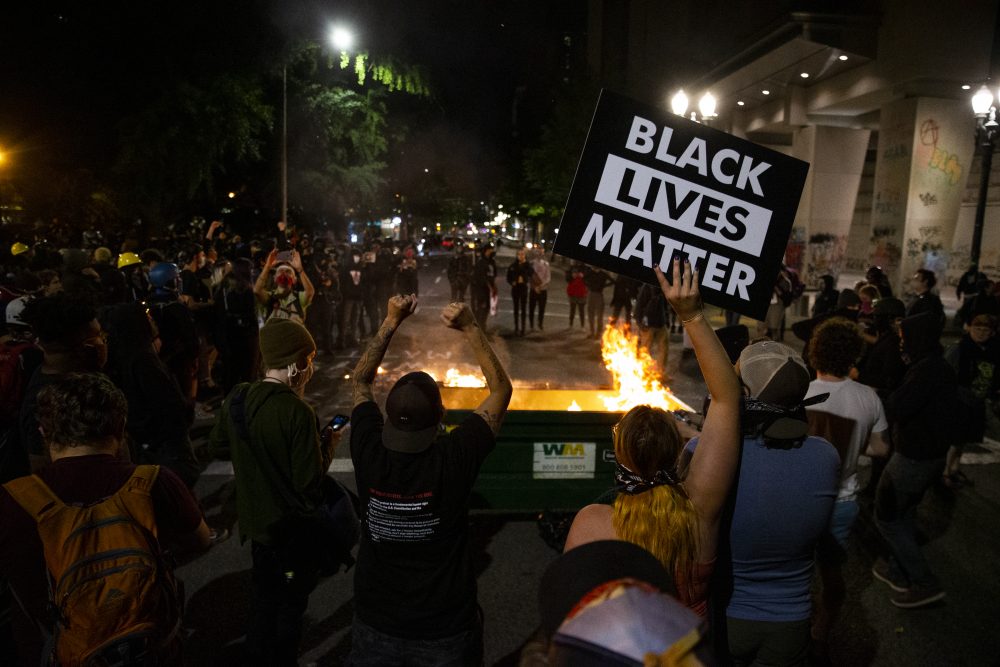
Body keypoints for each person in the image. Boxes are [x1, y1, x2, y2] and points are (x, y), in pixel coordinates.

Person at [564, 258, 742, 619]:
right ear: (677, 449)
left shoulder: (593, 521)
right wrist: (691, 315)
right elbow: (728, 398)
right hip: (689, 644)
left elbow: (569, 606)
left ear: (619, 452)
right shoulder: (699, 510)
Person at [0, 373, 210, 666]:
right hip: (149, 645)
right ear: (121, 427)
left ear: (43, 432)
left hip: (55, 650)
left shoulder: (13, 499)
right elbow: (200, 539)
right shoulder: (154, 482)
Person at [347, 295, 512, 666]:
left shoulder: (367, 448)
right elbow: (501, 390)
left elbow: (360, 381)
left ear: (387, 417)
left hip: (376, 623)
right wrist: (470, 326)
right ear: (441, 416)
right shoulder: (453, 456)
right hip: (444, 629)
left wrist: (391, 320)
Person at [210, 318, 334, 665]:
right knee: (290, 605)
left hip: (256, 525)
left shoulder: (238, 397)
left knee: (263, 596)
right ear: (294, 363)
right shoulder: (297, 411)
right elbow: (308, 482)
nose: (310, 368)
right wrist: (328, 446)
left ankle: (257, 653)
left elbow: (218, 446)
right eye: (308, 359)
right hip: (291, 533)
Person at [708, 340, 839, 665]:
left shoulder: (704, 455)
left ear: (744, 394)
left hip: (726, 616)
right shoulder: (826, 456)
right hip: (792, 624)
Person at [804, 318, 889, 657]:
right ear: (854, 356)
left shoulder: (802, 393)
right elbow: (881, 449)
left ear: (815, 353)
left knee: (792, 565)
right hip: (842, 500)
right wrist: (854, 441)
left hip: (800, 498)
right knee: (831, 570)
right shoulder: (869, 397)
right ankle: (822, 630)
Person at [872, 311, 959, 608]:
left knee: (886, 517)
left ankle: (924, 582)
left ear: (917, 338)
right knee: (904, 513)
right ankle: (898, 571)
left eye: (903, 337)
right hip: (929, 456)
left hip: (914, 458)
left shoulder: (927, 370)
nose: (900, 343)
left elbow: (900, 405)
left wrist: (875, 396)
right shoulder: (932, 365)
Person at [101, 303, 201, 489]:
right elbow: (168, 403)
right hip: (165, 443)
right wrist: (187, 406)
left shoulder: (123, 356)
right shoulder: (144, 360)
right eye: (147, 317)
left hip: (147, 441)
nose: (152, 320)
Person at [17, 294, 109, 473]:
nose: (103, 340)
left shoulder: (75, 376)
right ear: (85, 346)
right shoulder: (45, 403)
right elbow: (43, 472)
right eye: (98, 335)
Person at [942, 312, 1000, 489]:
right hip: (960, 400)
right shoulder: (960, 348)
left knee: (964, 439)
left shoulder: (991, 350)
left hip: (977, 400)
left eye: (985, 330)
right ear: (970, 328)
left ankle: (954, 469)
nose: (981, 333)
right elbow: (945, 373)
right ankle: (945, 472)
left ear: (992, 332)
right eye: (977, 328)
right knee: (955, 439)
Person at [253, 248, 315, 324]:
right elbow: (257, 290)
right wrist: (267, 267)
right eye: (280, 271)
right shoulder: (270, 297)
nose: (284, 273)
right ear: (275, 278)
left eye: (288, 271)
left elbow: (310, 292)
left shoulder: (299, 298)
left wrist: (300, 269)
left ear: (294, 280)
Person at [904, 268, 945, 334]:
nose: (913, 280)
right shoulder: (916, 297)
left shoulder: (930, 301)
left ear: (925, 282)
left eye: (916, 279)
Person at [506, 247, 535, 337]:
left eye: (522, 254)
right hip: (515, 289)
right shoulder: (513, 265)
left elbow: (531, 273)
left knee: (523, 309)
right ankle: (516, 327)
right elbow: (508, 277)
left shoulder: (528, 265)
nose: (521, 256)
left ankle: (523, 328)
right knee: (516, 309)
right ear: (517, 255)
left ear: (525, 256)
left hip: (523, 289)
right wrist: (512, 282)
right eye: (519, 254)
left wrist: (525, 265)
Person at [470, 244, 497, 329]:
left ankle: (482, 325)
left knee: (487, 308)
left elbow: (494, 274)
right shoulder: (481, 262)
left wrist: (493, 285)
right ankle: (479, 327)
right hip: (481, 289)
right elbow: (480, 277)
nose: (491, 252)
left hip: (489, 289)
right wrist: (488, 285)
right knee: (481, 308)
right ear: (486, 251)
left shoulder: (492, 262)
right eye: (489, 250)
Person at [583, 265, 615, 338]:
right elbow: (583, 279)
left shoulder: (593, 273)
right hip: (595, 294)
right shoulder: (597, 273)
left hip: (596, 294)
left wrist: (590, 285)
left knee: (598, 315)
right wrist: (603, 286)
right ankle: (594, 332)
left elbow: (583, 279)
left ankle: (596, 333)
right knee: (593, 315)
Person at [528, 247, 550, 332]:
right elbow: (529, 277)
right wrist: (535, 287)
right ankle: (531, 325)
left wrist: (541, 286)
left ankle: (540, 324)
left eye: (541, 252)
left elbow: (548, 277)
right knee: (531, 308)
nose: (540, 254)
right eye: (538, 252)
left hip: (543, 289)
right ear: (535, 253)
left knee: (542, 308)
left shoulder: (546, 264)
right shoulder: (531, 264)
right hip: (533, 289)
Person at [565, 261, 588, 329]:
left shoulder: (586, 268)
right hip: (573, 292)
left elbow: (589, 280)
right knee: (572, 310)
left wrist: (583, 276)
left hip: (582, 292)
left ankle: (582, 326)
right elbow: (567, 278)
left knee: (581, 310)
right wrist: (572, 276)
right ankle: (570, 324)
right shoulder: (571, 267)